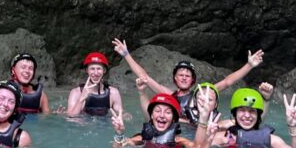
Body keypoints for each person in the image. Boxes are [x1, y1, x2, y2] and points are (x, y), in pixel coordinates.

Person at [111, 38, 264, 120]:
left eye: (187, 76)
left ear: (192, 80)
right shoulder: (169, 95)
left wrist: (249, 65)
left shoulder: (202, 95)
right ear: (175, 79)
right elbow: (145, 77)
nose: (184, 78)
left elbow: (227, 82)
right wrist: (126, 55)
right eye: (181, 75)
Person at [198, 88, 296, 148]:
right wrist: (208, 137)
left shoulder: (272, 140)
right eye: (242, 110)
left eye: (252, 111)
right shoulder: (223, 137)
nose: (247, 115)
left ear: (258, 115)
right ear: (235, 114)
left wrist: (293, 126)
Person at [110, 93, 201, 148]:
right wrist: (119, 133)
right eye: (157, 111)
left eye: (168, 112)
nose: (162, 115)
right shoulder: (142, 139)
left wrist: (203, 120)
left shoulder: (179, 141)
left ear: (174, 119)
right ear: (152, 116)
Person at [67, 52, 123, 117]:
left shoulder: (113, 93)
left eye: (99, 69)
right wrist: (81, 99)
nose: (96, 73)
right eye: (92, 69)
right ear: (87, 70)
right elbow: (71, 117)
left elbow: (121, 115)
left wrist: (126, 116)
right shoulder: (76, 92)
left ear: (104, 70)